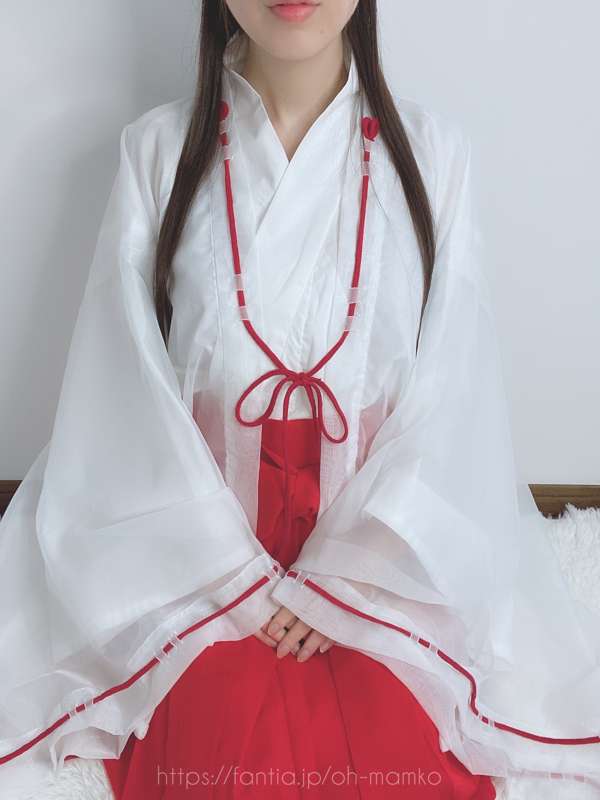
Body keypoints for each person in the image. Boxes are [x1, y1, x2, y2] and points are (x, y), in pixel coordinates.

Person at [1, 1, 598, 798]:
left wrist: (350, 578)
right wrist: (229, 578)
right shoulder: (156, 151)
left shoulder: (435, 155)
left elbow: (455, 392)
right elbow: (121, 388)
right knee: (224, 769)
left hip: (381, 556)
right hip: (202, 559)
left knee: (398, 768)